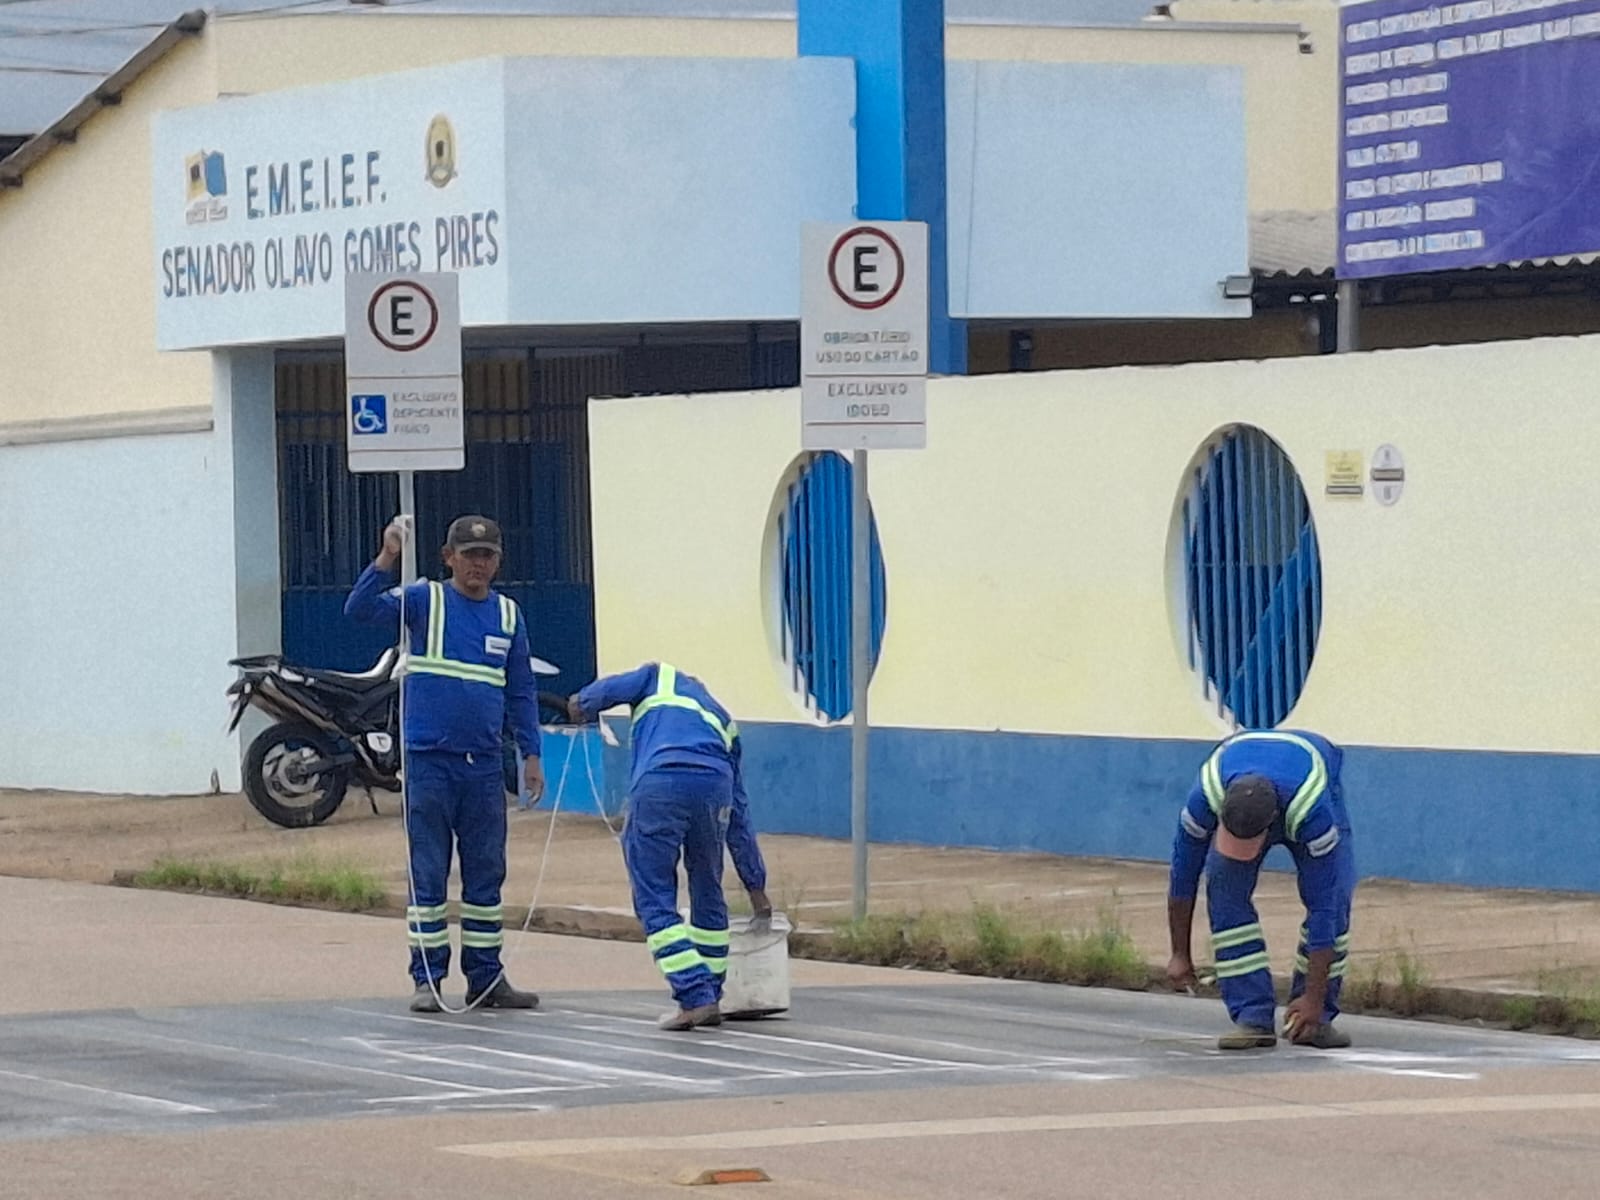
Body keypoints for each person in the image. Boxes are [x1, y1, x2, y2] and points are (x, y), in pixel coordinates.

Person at [345, 513, 545, 1013]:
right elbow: (359, 610)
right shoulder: (423, 600)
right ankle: (427, 978)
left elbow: (521, 690)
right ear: (448, 557)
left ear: (498, 561)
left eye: (487, 556)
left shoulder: (508, 616)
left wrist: (531, 755)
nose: (478, 564)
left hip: (482, 769)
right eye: (469, 554)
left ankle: (485, 978)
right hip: (429, 763)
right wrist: (387, 555)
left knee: (485, 875)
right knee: (429, 872)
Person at [567, 661, 763, 1030]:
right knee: (707, 884)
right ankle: (712, 993)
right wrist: (757, 884)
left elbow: (609, 691)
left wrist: (581, 702)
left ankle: (693, 995)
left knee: (653, 894)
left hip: (661, 781)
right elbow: (740, 813)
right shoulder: (721, 718)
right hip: (714, 787)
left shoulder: (659, 677)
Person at [1166, 728, 1356, 1051]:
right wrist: (1179, 953)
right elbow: (1183, 874)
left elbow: (1324, 905)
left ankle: (1315, 1019)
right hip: (1250, 768)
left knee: (1336, 901)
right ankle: (1253, 1017)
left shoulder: (1312, 811)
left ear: (1270, 825)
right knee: (1224, 890)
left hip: (1308, 775)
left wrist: (1313, 998)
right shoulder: (1206, 796)